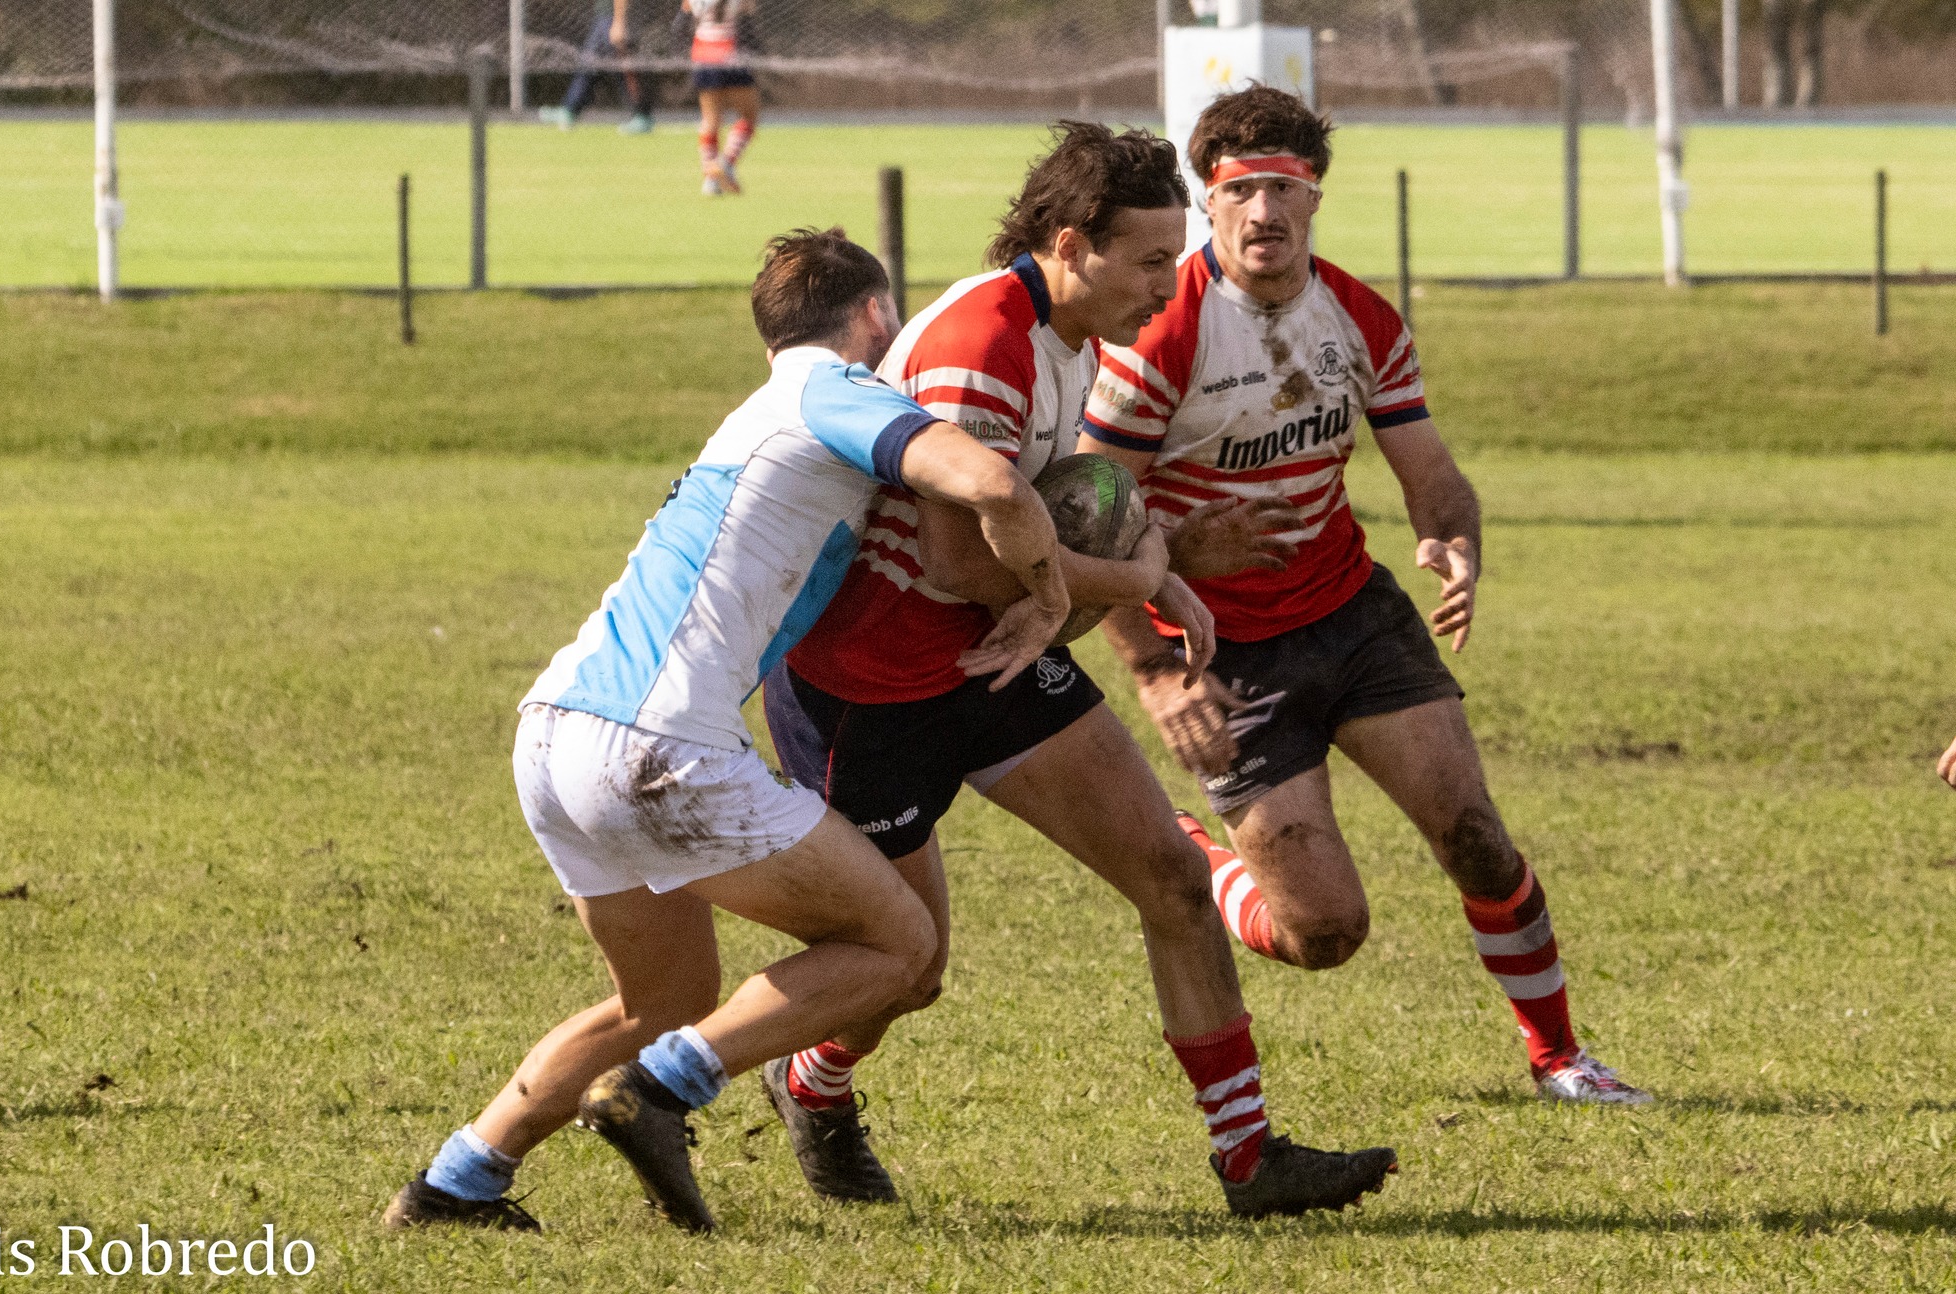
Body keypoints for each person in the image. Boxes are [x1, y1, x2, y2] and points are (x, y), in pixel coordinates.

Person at [761, 123, 1399, 1221]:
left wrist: (1157, 575)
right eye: (1150, 259)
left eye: (1172, 253)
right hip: (873, 690)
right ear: (1070, 244)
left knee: (1169, 876)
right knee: (901, 970)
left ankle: (1249, 1160)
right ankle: (800, 1080)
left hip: (996, 662)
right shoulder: (982, 341)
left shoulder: (1078, 334)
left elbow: (1077, 500)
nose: (1170, 279)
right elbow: (965, 559)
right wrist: (1131, 575)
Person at [383, 228, 1073, 1235]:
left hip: (552, 734)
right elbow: (993, 486)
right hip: (658, 744)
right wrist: (1050, 592)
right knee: (900, 944)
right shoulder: (832, 388)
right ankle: (657, 1092)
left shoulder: (756, 410)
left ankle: (456, 1181)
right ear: (873, 317)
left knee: (660, 997)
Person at [1078, 84, 1652, 1107]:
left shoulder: (1356, 314)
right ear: (1206, 205)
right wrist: (1159, 671)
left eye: (1284, 190)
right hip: (1223, 654)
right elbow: (1090, 516)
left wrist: (1450, 535)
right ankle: (1203, 854)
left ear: (1313, 201)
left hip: (1352, 616)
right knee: (1321, 934)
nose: (1264, 212)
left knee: (1474, 834)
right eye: (1241, 189)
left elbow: (1427, 468)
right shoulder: (1159, 331)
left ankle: (1558, 1054)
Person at [540, 0, 658, 135]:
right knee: (589, 64)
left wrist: (619, 22)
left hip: (614, 17)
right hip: (604, 17)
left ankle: (642, 115)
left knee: (623, 65)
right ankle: (569, 109)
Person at [683, 0, 759, 195]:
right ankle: (725, 163)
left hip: (702, 52)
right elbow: (749, 9)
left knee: (710, 119)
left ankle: (710, 181)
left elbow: (686, 12)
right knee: (749, 116)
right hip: (728, 52)